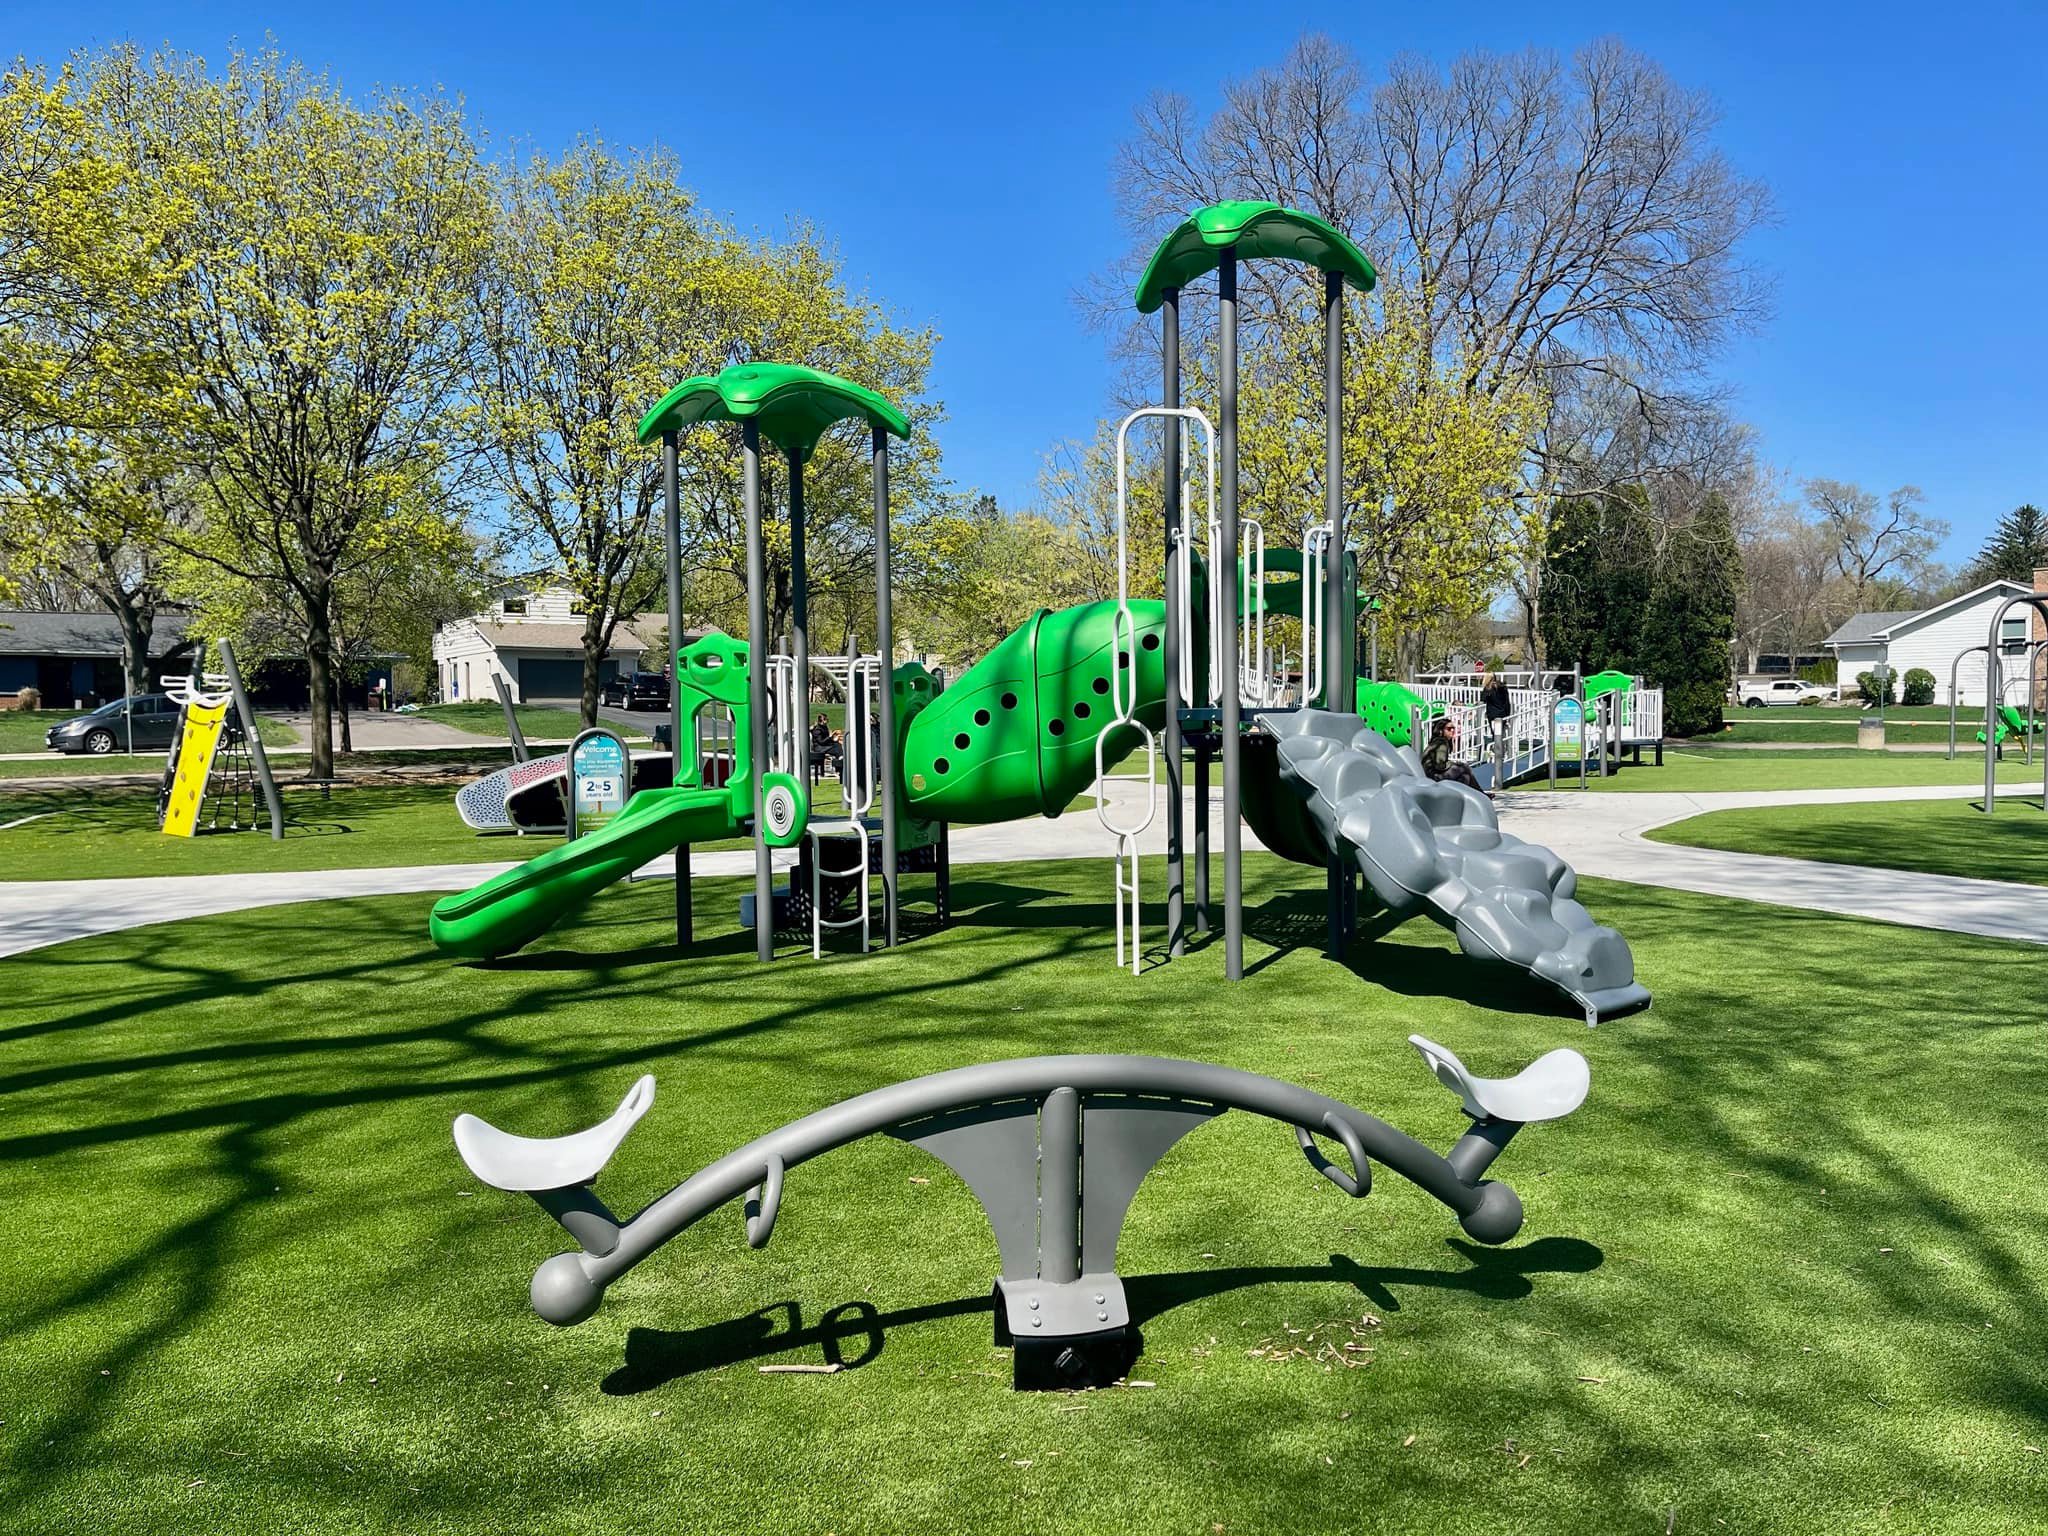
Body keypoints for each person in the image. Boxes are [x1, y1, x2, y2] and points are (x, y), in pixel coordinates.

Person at [1420, 717, 1486, 795]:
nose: (1452, 730)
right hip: (1432, 776)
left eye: (1453, 728)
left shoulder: (1438, 742)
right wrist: (1453, 764)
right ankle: (1480, 794)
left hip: (1430, 775)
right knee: (1464, 767)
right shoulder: (1441, 743)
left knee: (1465, 777)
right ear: (1441, 731)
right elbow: (1440, 765)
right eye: (1449, 729)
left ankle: (1472, 796)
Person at [809, 712, 842, 783]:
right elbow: (821, 742)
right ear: (822, 720)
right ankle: (839, 765)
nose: (827, 721)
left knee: (837, 745)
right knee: (836, 748)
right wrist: (830, 736)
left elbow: (826, 740)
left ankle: (839, 762)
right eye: (826, 719)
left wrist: (833, 739)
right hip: (819, 748)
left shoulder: (824, 727)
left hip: (824, 746)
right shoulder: (817, 730)